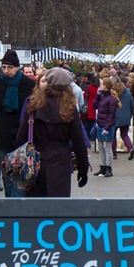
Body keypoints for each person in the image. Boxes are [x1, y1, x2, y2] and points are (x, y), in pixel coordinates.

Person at [16, 67, 89, 198]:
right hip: (60, 163)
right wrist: (83, 169)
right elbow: (78, 142)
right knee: (58, 205)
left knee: (35, 205)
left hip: (35, 163)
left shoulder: (33, 105)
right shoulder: (69, 108)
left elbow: (21, 137)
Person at [0, 50, 36, 196]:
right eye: (4, 67)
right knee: (7, 177)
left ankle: (19, 205)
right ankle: (12, 203)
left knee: (22, 177)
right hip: (3, 137)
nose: (6, 71)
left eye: (10, 67)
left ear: (17, 67)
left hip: (23, 138)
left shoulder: (28, 85)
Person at [92, 77, 118, 177]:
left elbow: (111, 114)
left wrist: (107, 127)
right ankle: (102, 167)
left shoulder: (112, 99)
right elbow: (94, 106)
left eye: (102, 84)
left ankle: (108, 168)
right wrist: (98, 96)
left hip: (107, 126)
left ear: (106, 86)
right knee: (100, 147)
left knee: (107, 147)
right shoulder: (102, 97)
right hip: (100, 124)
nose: (100, 86)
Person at [114, 79, 134, 161]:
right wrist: (130, 114)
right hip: (126, 116)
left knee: (113, 136)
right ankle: (130, 148)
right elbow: (132, 105)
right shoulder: (128, 94)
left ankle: (114, 153)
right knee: (124, 135)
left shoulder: (113, 94)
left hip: (115, 116)